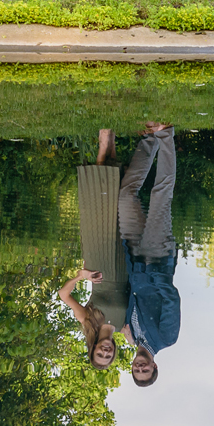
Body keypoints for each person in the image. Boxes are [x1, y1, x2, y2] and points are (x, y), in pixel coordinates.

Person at [117, 123, 183, 386]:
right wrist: (154, 274)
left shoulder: (130, 334)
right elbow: (171, 299)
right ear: (155, 366)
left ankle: (149, 141)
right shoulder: (166, 338)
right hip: (157, 257)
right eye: (146, 370)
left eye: (137, 370)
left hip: (134, 255)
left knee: (125, 196)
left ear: (132, 366)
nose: (141, 367)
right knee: (160, 195)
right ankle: (165, 134)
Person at [62, 128, 129, 367]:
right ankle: (111, 146)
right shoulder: (124, 327)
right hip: (122, 265)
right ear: (114, 353)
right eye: (108, 356)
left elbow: (63, 295)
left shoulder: (88, 322)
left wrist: (81, 276)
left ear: (93, 350)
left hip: (99, 262)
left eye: (100, 354)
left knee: (100, 209)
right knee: (119, 210)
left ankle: (103, 146)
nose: (105, 352)